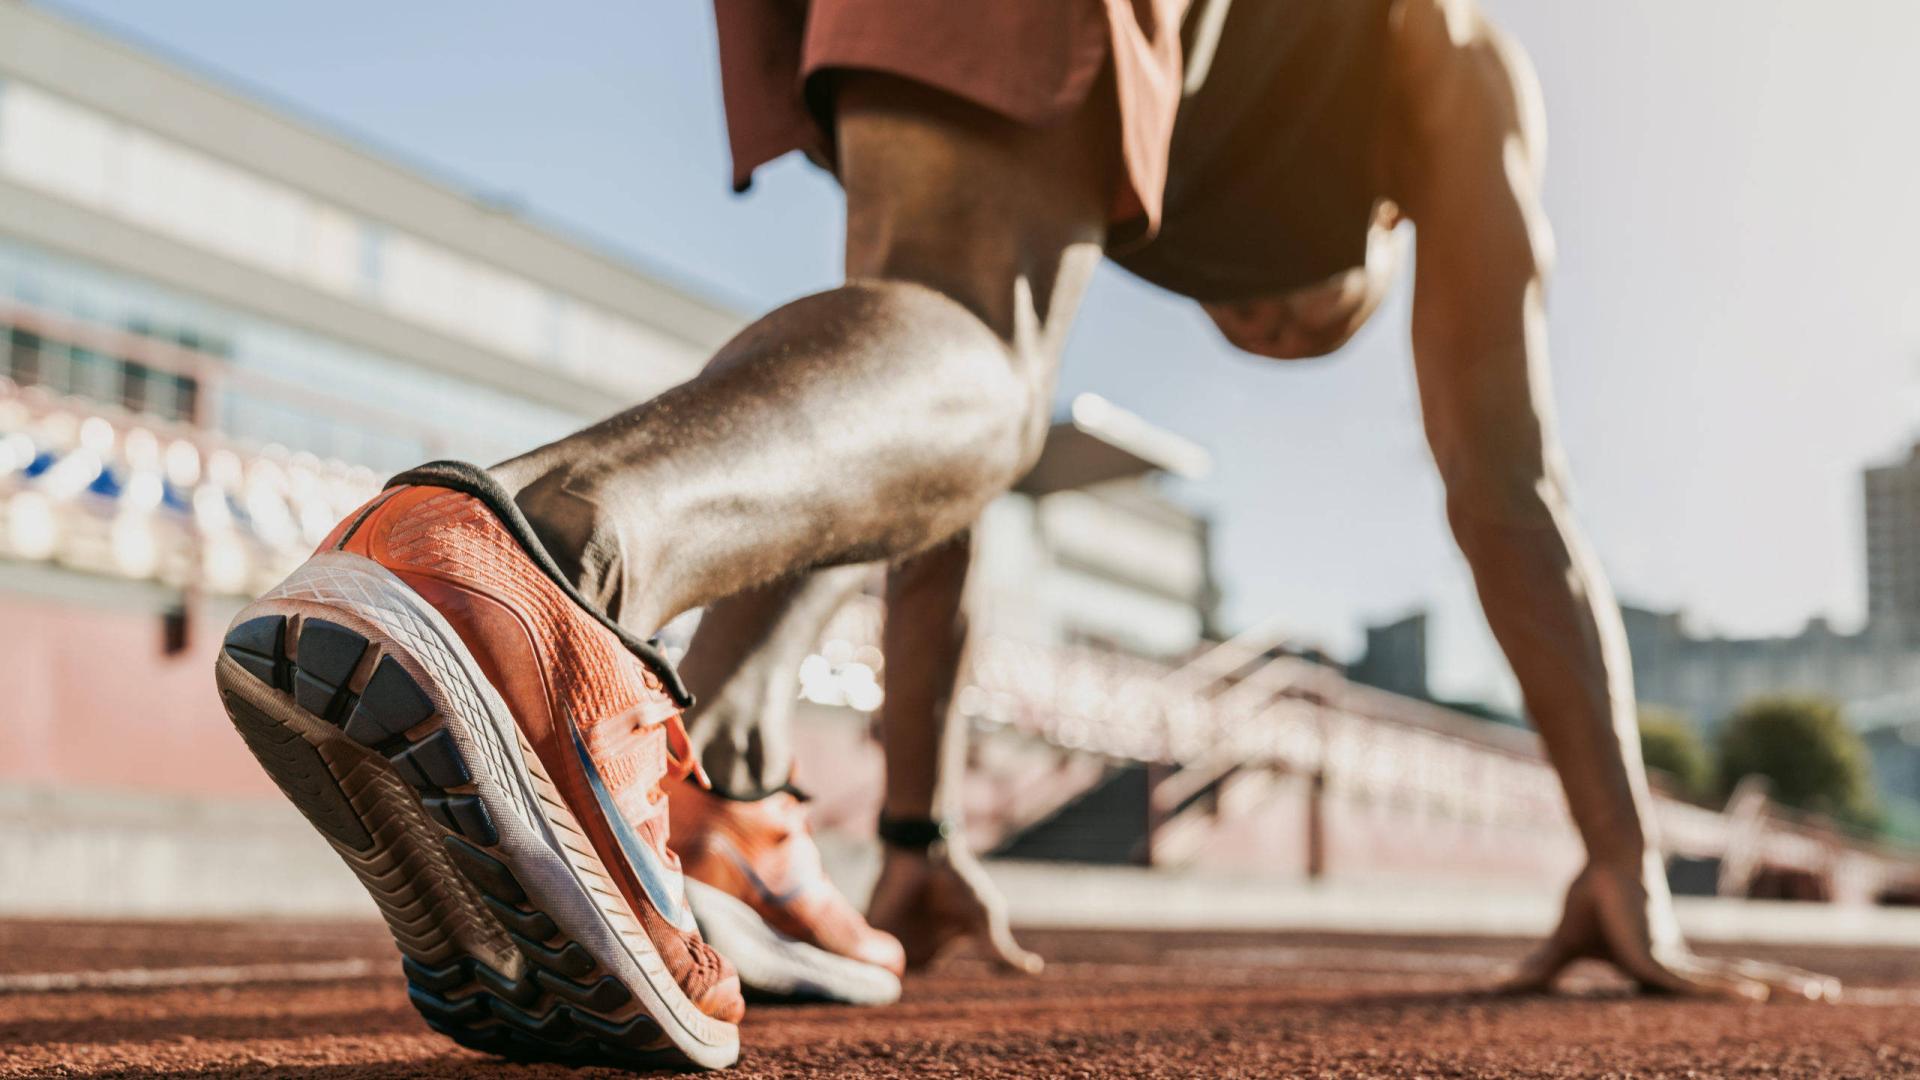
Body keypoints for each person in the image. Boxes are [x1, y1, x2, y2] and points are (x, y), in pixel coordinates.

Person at [212, 0, 1835, 1070]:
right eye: (1290, 315)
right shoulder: (1454, 63)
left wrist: (916, 832)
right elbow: (1510, 484)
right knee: (973, 368)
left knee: (918, 371)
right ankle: (525, 564)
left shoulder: (1190, 128)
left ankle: (710, 799)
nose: (1254, 322)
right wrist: (1630, 857)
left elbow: (912, 483)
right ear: (1380, 237)